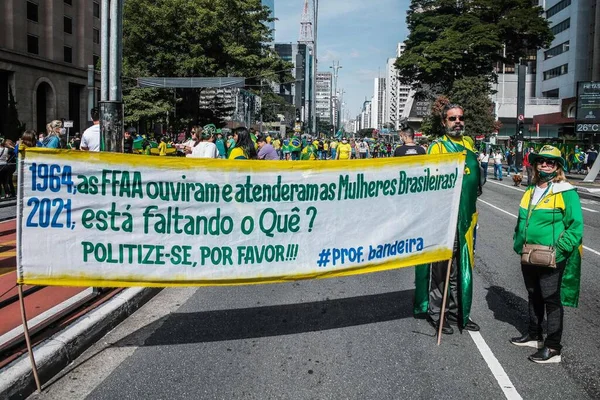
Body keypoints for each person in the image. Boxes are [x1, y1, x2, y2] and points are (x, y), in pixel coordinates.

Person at [511, 145, 583, 363]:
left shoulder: (565, 191)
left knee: (551, 299)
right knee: (533, 294)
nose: (545, 164)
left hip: (552, 256)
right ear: (535, 164)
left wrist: (559, 251)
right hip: (529, 254)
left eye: (550, 162)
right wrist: (518, 243)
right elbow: (522, 221)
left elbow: (575, 227)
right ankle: (534, 335)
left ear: (557, 166)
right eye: (541, 160)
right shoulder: (530, 190)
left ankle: (553, 348)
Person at [414, 104, 481, 334]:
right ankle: (437, 314)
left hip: (467, 221)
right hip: (444, 221)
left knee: (461, 268)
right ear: (444, 122)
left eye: (461, 117)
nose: (458, 122)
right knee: (441, 270)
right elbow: (431, 183)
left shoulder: (469, 144)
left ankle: (458, 313)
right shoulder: (438, 147)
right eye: (453, 119)